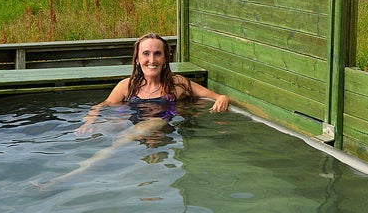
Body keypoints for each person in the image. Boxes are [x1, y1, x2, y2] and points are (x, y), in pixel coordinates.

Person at [38, 33, 230, 187]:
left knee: (115, 145)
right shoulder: (127, 85)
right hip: (131, 121)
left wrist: (223, 98)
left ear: (165, 58)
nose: (151, 60)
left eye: (157, 54)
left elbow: (214, 96)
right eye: (146, 54)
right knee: (100, 134)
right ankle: (75, 168)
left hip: (158, 124)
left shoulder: (177, 83)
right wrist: (90, 121)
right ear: (137, 59)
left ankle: (66, 178)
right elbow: (103, 105)